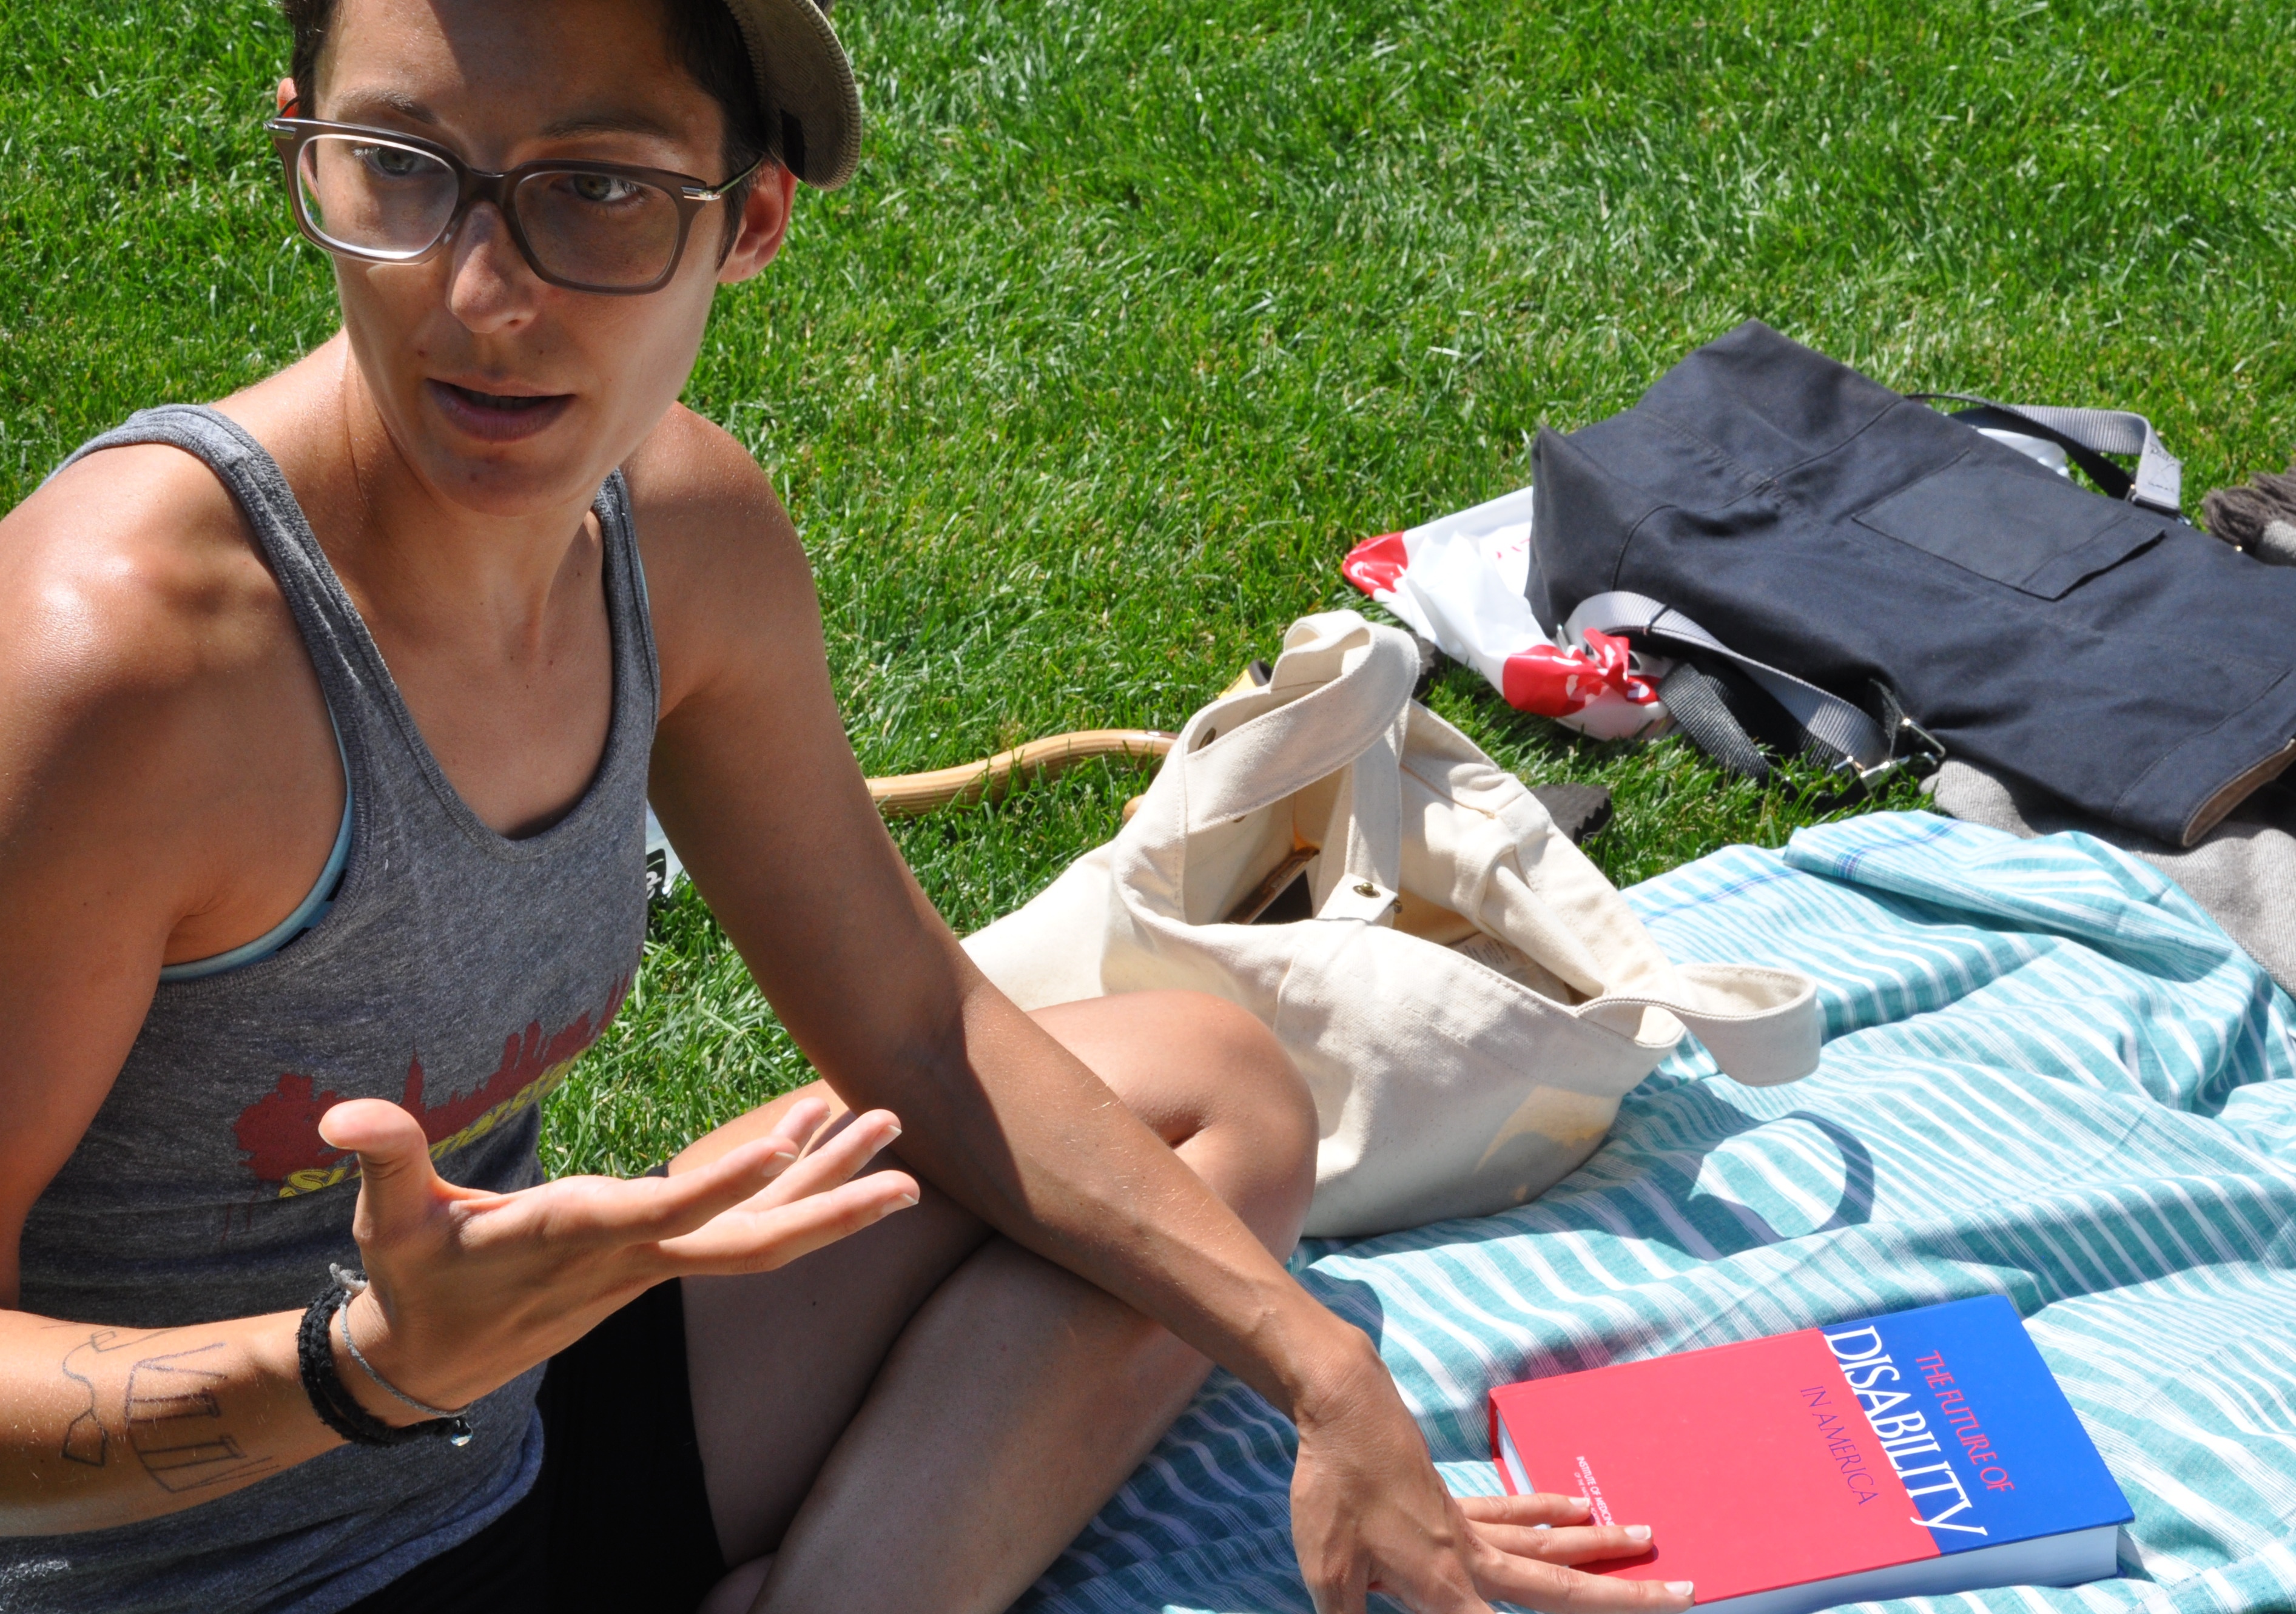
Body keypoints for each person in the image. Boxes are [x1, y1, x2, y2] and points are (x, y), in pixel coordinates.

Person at [0, 2, 1700, 1610]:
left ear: (748, 221)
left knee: (1206, 1087)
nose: (480, 295)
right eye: (401, 168)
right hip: (169, 1558)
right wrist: (356, 1369)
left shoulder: (677, 534)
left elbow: (912, 1031)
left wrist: (1330, 1382)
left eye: (595, 189)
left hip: (488, 1421)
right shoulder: (119, 669)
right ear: (303, 147)